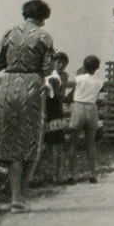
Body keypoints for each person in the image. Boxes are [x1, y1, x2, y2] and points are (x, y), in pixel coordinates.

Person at [0, 0, 55, 211]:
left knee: (11, 141)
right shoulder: (44, 37)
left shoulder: (9, 33)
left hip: (9, 85)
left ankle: (14, 197)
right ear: (43, 17)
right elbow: (47, 69)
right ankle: (22, 195)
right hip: (32, 85)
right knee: (31, 140)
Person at [67, 55, 104, 182]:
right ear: (96, 68)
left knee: (73, 143)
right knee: (91, 144)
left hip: (79, 107)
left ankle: (71, 175)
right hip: (92, 108)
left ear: (84, 66)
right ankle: (92, 173)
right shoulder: (99, 82)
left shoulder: (79, 78)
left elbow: (72, 92)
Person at [44, 51, 70, 182]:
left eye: (63, 63)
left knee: (57, 144)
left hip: (56, 111)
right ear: (54, 63)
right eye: (58, 62)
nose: (60, 65)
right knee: (54, 144)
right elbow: (58, 96)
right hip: (52, 111)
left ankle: (55, 174)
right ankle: (54, 175)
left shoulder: (60, 76)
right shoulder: (52, 78)